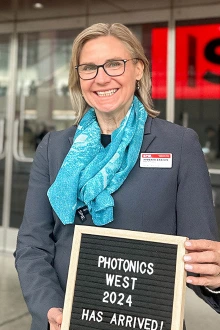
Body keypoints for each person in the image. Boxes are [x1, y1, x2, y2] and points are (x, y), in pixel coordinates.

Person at [14, 23, 220, 330]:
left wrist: (216, 279)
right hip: (66, 320)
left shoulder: (178, 145)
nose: (101, 78)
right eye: (89, 67)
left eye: (114, 64)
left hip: (147, 319)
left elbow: (199, 254)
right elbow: (33, 245)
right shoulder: (54, 147)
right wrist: (51, 308)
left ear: (138, 69)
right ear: (78, 77)